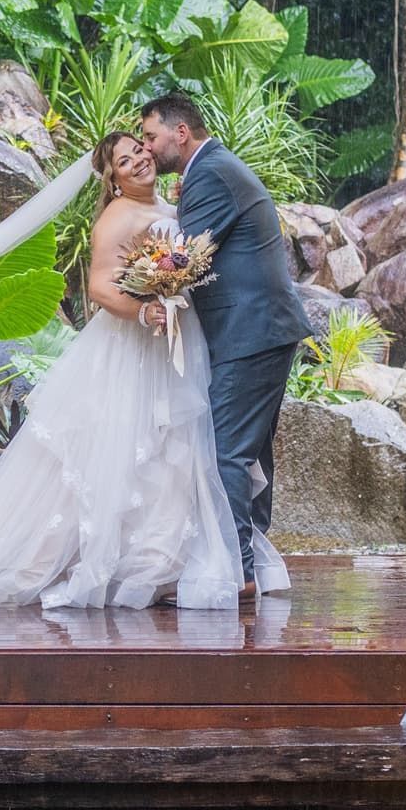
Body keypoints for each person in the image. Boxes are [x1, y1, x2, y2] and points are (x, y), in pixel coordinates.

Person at [0, 132, 289, 610]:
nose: (138, 162)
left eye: (140, 151)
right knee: (123, 451)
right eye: (125, 162)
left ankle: (161, 563)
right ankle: (102, 561)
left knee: (173, 452)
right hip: (134, 350)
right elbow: (101, 289)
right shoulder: (115, 217)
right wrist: (144, 309)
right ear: (112, 181)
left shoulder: (171, 206)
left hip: (178, 345)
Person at [141, 94, 311, 602]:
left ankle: (238, 573)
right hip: (258, 330)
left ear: (181, 133)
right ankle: (251, 559)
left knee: (227, 455)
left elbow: (185, 259)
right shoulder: (210, 169)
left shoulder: (210, 174)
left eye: (151, 136)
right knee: (250, 455)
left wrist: (138, 287)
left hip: (249, 332)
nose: (148, 148)